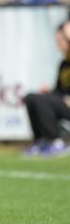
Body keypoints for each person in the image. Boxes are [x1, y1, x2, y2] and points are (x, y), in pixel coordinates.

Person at [23, 21, 70, 158]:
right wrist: (50, 92)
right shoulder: (63, 64)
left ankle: (55, 142)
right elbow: (59, 91)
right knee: (32, 98)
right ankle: (41, 140)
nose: (58, 43)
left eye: (61, 39)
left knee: (44, 100)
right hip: (63, 102)